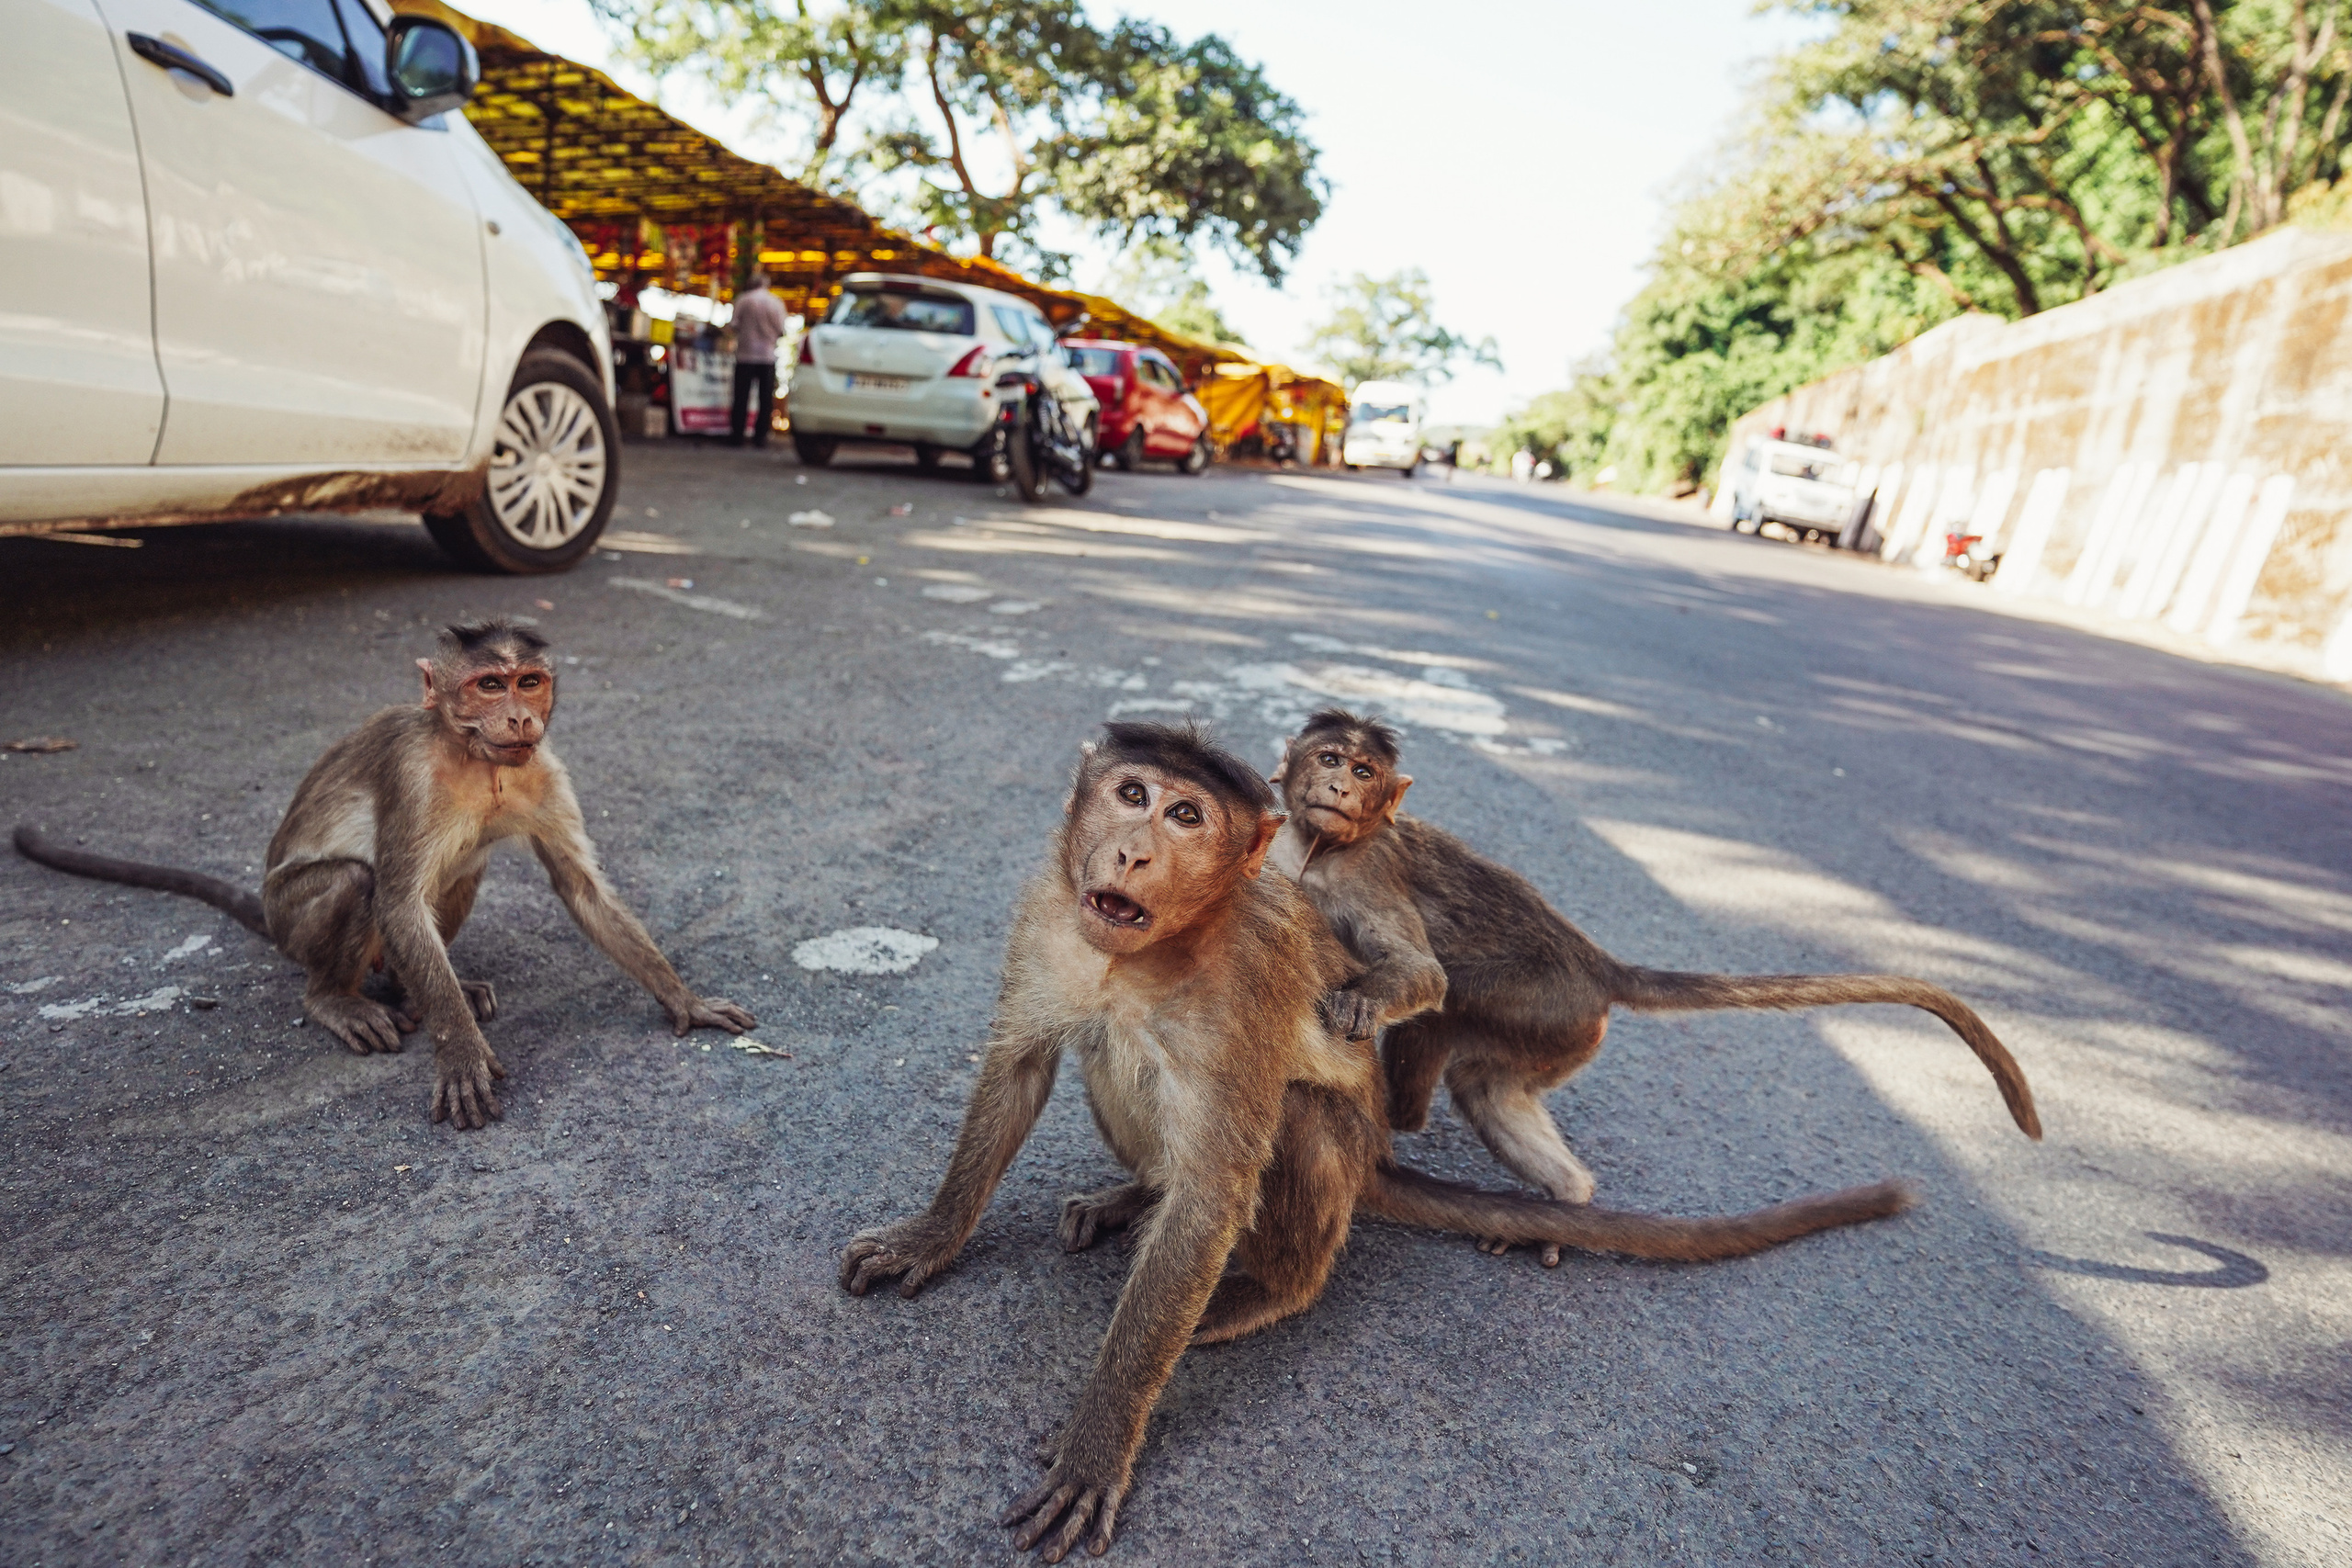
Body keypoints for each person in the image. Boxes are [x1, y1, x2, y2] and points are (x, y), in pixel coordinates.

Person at [729, 270, 787, 447]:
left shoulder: (744, 300)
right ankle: (760, 436)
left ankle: (737, 435)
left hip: (745, 355)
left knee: (741, 397)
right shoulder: (776, 302)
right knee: (765, 399)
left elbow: (733, 325)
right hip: (767, 357)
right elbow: (782, 329)